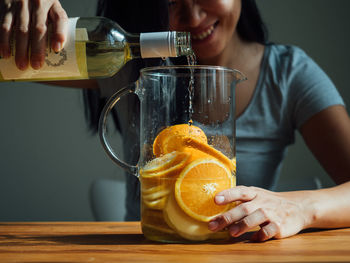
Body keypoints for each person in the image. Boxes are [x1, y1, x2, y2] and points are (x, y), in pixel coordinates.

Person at [1, 0, 350, 242]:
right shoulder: (122, 63)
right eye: (169, 2)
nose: (193, 16)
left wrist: (302, 207)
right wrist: (17, 18)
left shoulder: (289, 74)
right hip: (147, 251)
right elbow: (14, 57)